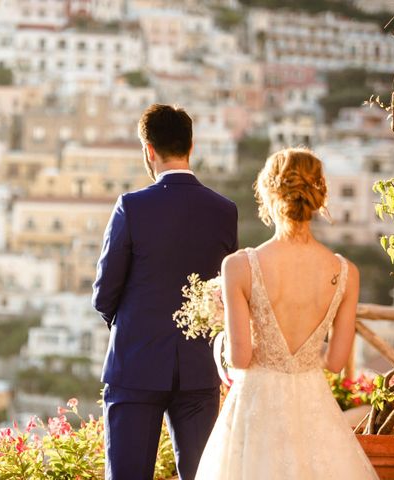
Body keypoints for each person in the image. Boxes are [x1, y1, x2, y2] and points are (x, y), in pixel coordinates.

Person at [195, 148, 378, 479]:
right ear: (318, 195)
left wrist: (220, 341)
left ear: (267, 191)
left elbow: (239, 357)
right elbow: (336, 362)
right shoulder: (345, 272)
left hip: (256, 407)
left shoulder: (239, 266)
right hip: (313, 406)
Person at [92, 104, 238, 480]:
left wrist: (132, 325)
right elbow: (228, 285)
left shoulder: (131, 207)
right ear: (192, 146)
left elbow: (104, 293)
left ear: (148, 150)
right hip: (199, 367)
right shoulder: (224, 211)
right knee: (201, 474)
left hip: (136, 363)